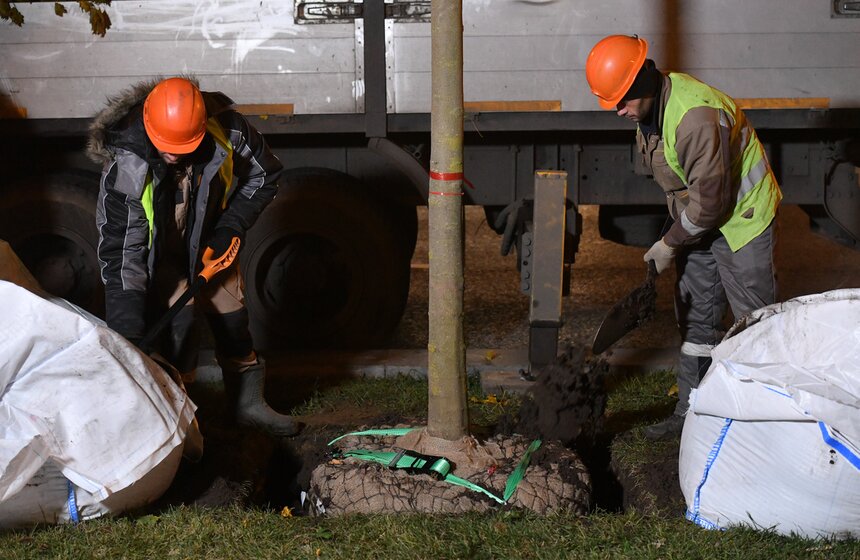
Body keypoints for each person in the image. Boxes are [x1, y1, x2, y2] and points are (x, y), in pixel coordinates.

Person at [585, 35, 782, 439]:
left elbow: (710, 205)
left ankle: (765, 426)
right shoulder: (650, 112)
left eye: (622, 100)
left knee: (754, 325)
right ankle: (692, 415)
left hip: (742, 220)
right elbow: (685, 188)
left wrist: (670, 243)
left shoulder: (695, 119)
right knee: (696, 320)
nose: (618, 111)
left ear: (643, 81)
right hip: (702, 219)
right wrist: (675, 230)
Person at [88, 76, 299, 437]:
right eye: (167, 146)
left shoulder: (229, 131)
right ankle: (182, 423)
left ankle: (248, 406)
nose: (174, 154)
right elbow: (123, 252)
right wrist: (127, 331)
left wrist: (231, 226)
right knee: (178, 330)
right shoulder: (126, 165)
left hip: (209, 241)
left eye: (183, 146)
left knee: (232, 316)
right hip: (159, 257)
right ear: (149, 125)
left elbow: (264, 176)